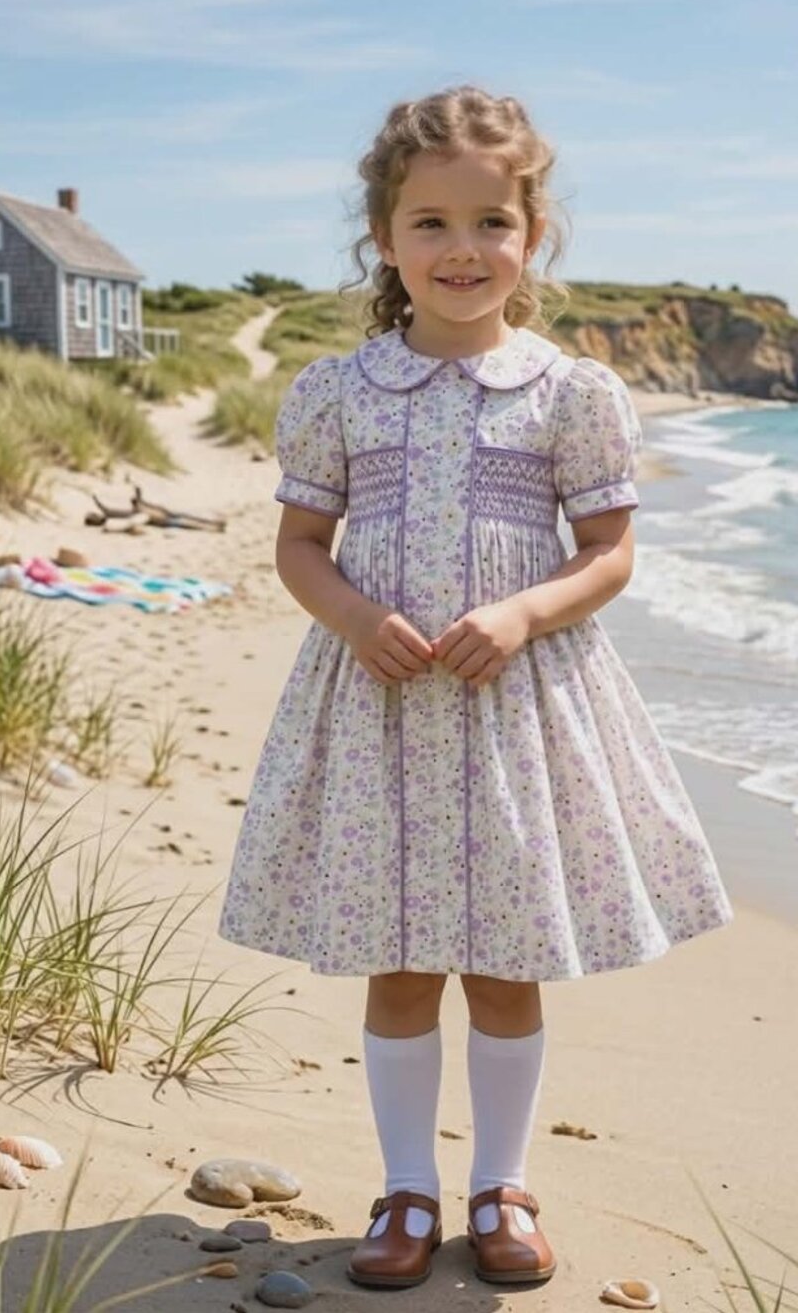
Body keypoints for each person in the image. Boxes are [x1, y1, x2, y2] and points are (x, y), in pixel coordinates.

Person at [218, 83, 734, 1290]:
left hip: (516, 708)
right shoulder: (339, 391)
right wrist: (353, 615)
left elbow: (609, 553)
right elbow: (299, 546)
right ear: (385, 239)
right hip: (383, 705)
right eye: (431, 224)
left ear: (532, 233)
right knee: (398, 960)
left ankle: (500, 1182)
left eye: (490, 223)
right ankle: (405, 1188)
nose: (463, 250)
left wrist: (519, 611)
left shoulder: (571, 392)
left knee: (506, 961)